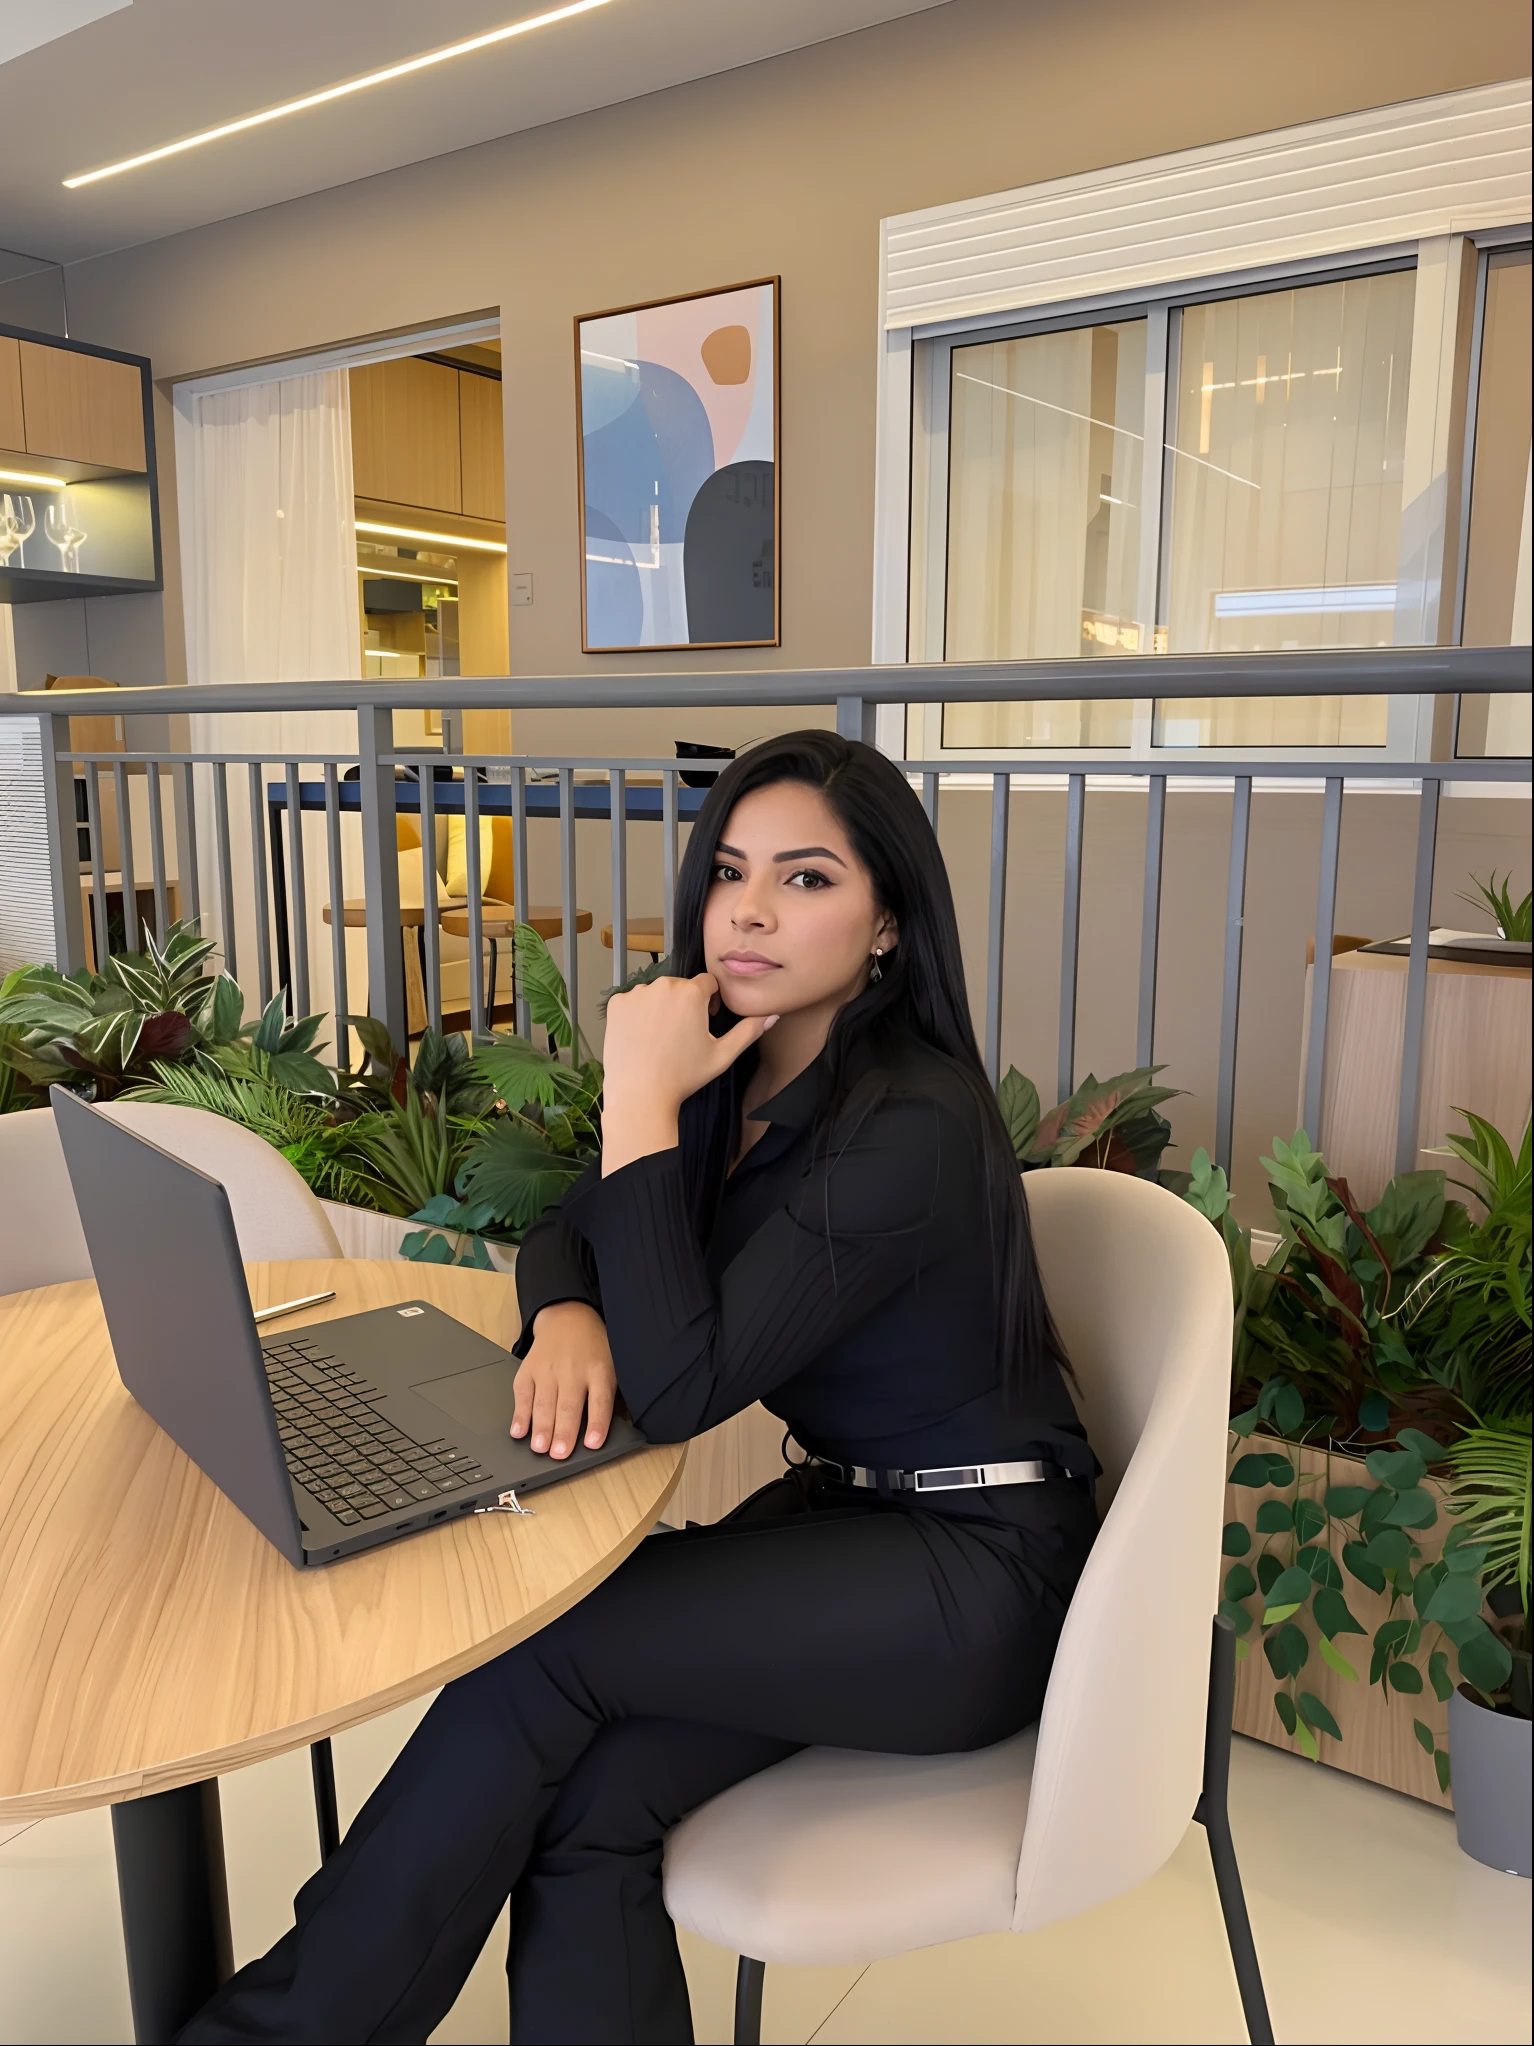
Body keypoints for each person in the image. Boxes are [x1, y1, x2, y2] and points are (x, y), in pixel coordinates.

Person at [183, 731, 1098, 2046]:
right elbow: (573, 1222)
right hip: (848, 1526)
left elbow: (676, 1386)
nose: (749, 908)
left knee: (543, 1649)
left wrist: (637, 1101)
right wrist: (560, 1307)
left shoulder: (914, 1123)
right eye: (730, 870)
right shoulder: (743, 1061)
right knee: (591, 1797)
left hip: (978, 1574)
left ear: (887, 920)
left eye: (805, 878)